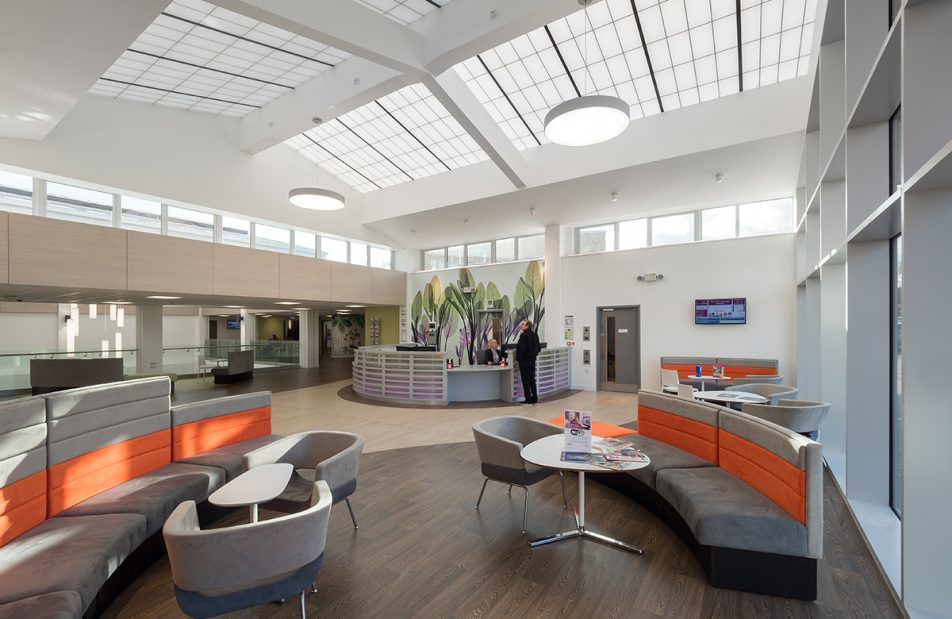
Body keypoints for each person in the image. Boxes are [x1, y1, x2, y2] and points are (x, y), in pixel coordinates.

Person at [515, 319, 541, 404]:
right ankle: (535, 398)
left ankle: (528, 399)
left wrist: (518, 359)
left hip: (524, 362)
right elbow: (539, 348)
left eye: (523, 324)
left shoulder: (523, 336)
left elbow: (521, 349)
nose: (521, 325)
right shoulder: (534, 334)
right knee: (532, 380)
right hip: (532, 361)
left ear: (527, 326)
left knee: (525, 381)